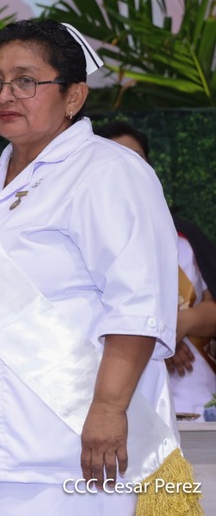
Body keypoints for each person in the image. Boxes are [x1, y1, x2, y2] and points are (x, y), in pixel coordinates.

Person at [0, 19, 201, 514]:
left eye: (26, 81)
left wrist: (109, 408)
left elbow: (137, 303)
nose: (5, 95)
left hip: (70, 451)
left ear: (73, 96)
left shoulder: (108, 171)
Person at [95, 121, 216, 421]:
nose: (128, 170)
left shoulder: (184, 237)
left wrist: (176, 325)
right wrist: (152, 337)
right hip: (123, 409)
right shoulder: (86, 242)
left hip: (199, 404)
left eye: (136, 159)